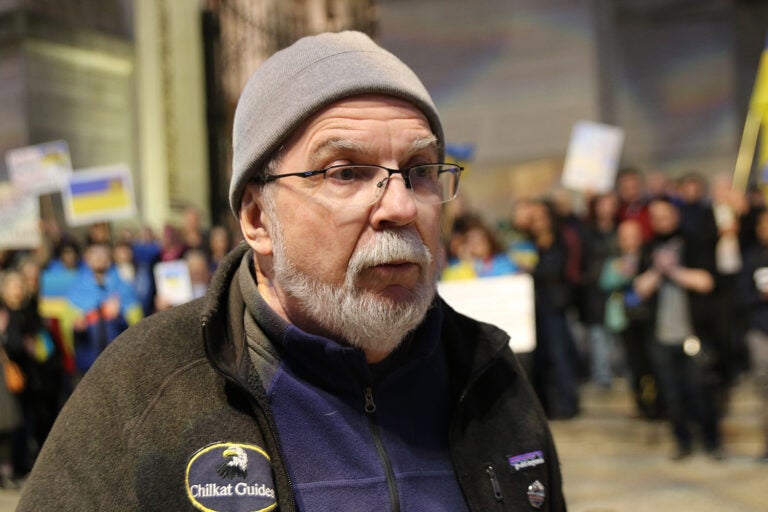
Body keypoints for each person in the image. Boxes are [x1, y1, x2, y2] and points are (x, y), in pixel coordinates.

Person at [18, 31, 565, 511]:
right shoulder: (143, 389)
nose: (400, 206)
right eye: (347, 171)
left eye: (420, 171)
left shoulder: (488, 373)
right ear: (258, 219)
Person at [633, 197, 723, 460]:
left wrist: (674, 270)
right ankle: (682, 443)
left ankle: (711, 442)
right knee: (672, 395)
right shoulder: (648, 248)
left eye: (665, 214)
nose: (661, 220)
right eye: (655, 215)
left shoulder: (694, 241)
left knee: (701, 390)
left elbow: (706, 281)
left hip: (693, 334)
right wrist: (657, 270)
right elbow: (639, 289)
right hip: (660, 336)